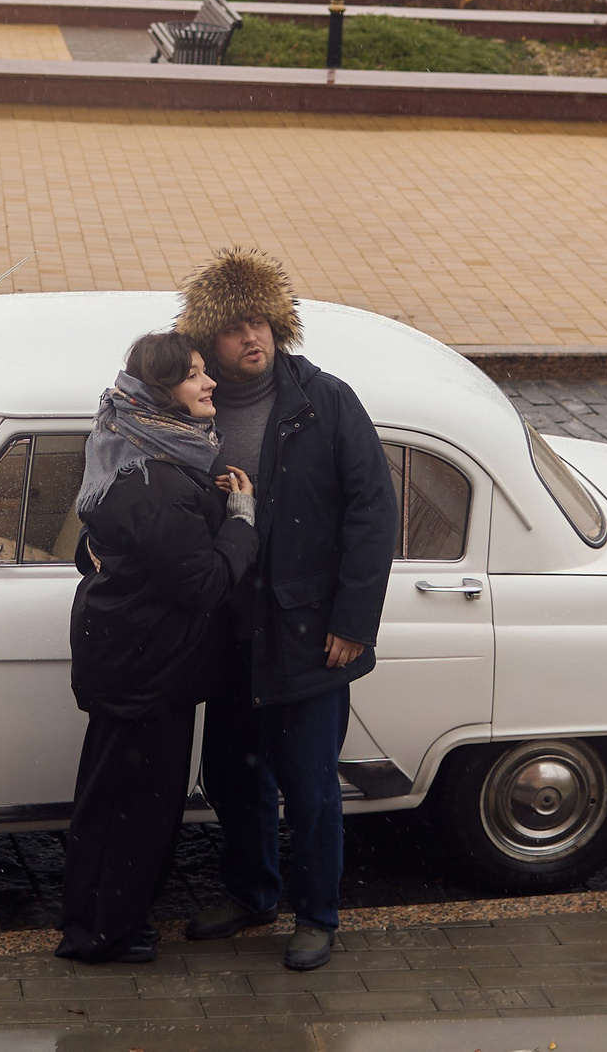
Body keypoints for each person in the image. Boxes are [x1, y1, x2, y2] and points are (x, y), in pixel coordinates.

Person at [177, 248, 396, 972]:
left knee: (308, 786)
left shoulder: (325, 400)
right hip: (227, 633)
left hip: (307, 635)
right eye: (237, 327)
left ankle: (318, 916)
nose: (254, 338)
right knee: (234, 776)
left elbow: (373, 510)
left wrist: (353, 622)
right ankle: (251, 892)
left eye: (263, 322)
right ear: (208, 339)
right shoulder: (193, 408)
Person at [56, 330, 259, 964]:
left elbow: (91, 544)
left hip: (127, 658)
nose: (209, 384)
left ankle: (98, 920)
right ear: (162, 393)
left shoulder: (121, 439)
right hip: (150, 671)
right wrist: (242, 519)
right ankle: (106, 933)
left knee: (110, 798)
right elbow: (203, 584)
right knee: (138, 809)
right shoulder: (159, 481)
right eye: (195, 376)